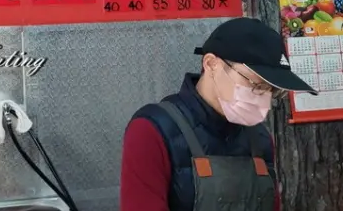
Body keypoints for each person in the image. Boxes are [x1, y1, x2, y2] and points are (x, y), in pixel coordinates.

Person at [120, 17, 317, 211]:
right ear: (211, 64)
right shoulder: (151, 130)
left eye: (271, 91)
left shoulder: (261, 139)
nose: (263, 98)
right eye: (256, 84)